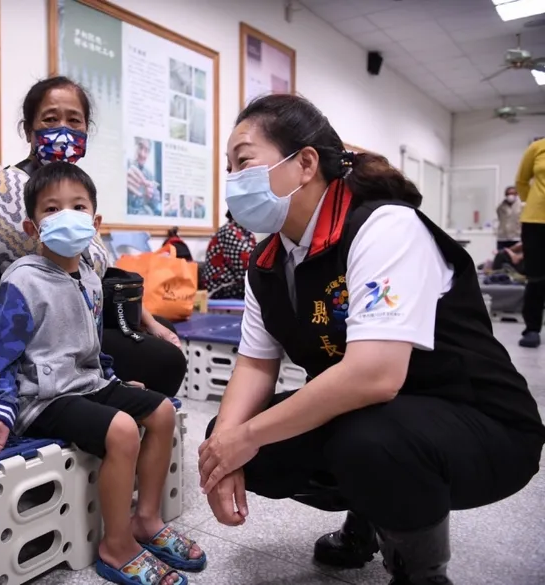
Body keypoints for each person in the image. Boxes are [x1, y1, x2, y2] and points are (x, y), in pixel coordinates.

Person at [197, 95, 544, 585]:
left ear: (305, 164)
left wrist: (246, 439)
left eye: (244, 162)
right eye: (228, 168)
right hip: (378, 418)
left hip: (481, 424)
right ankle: (369, 514)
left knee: (367, 441)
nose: (233, 180)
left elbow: (375, 376)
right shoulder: (268, 261)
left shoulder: (383, 227)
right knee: (233, 433)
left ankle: (420, 572)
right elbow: (255, 364)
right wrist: (223, 450)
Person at [0, 162, 205, 585]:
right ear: (32, 225)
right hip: (41, 398)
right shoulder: (21, 280)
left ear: (94, 221)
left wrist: (113, 380)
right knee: (122, 430)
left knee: (162, 413)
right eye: (51, 208)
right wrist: (1, 412)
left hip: (88, 385)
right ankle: (116, 546)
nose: (67, 215)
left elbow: (90, 346)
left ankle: (145, 520)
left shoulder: (91, 279)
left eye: (78, 206)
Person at [0, 76, 187, 397]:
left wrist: (146, 319)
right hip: (34, 346)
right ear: (29, 131)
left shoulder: (76, 188)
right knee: (166, 360)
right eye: (50, 119)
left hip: (77, 329)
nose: (63, 129)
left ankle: (125, 420)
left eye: (73, 120)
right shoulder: (8, 187)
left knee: (165, 331)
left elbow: (92, 274)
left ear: (85, 130)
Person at [516, 137, 545, 348]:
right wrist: (535, 202)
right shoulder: (537, 147)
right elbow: (521, 181)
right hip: (536, 221)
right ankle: (532, 329)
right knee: (536, 278)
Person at [201, 210, 257, 299]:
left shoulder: (247, 234)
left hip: (235, 283)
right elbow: (248, 265)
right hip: (219, 287)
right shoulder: (229, 231)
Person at [496, 186, 522, 250]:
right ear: (505, 195)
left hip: (517, 237)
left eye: (513, 194)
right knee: (502, 258)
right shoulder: (500, 207)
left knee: (517, 258)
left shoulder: (522, 206)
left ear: (516, 194)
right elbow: (500, 218)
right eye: (508, 194)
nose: (510, 196)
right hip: (503, 238)